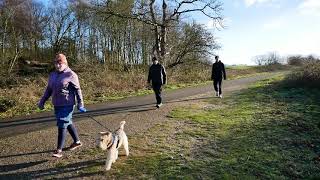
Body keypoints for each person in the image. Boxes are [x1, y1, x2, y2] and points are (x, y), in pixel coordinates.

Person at [38, 53, 87, 158]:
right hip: (57, 104)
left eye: (60, 63)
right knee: (67, 122)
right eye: (56, 63)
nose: (58, 65)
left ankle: (59, 150)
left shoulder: (71, 75)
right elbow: (49, 89)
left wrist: (80, 104)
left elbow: (78, 90)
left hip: (67, 104)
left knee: (62, 124)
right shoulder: (53, 75)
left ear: (65, 63)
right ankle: (77, 141)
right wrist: (42, 101)